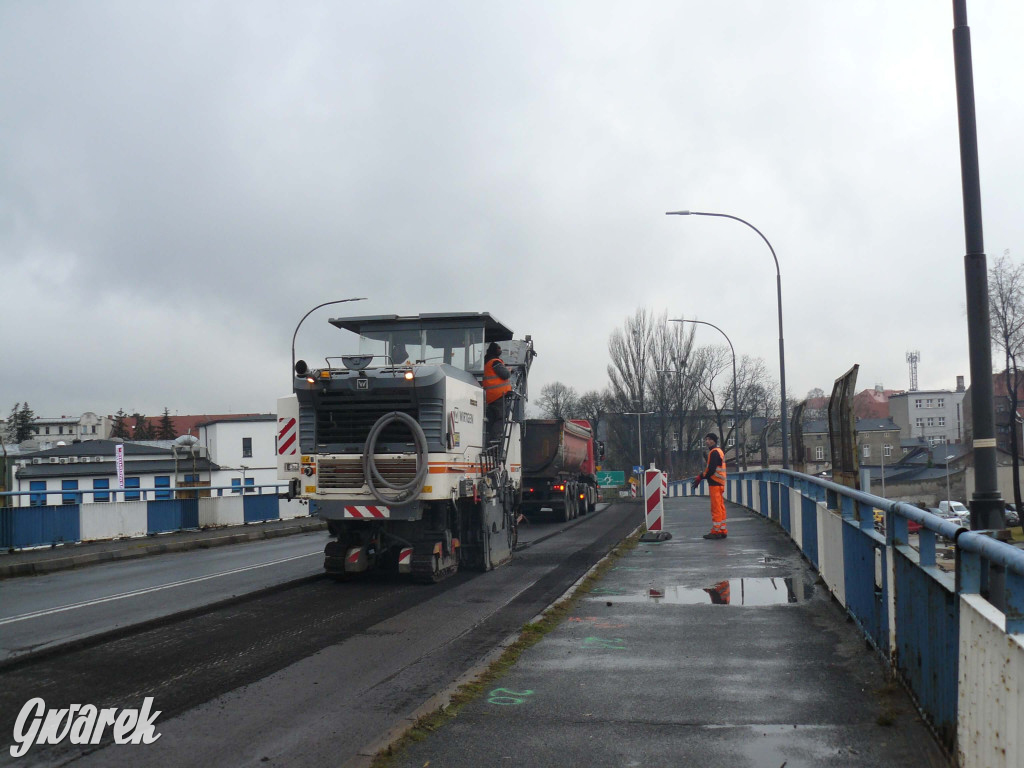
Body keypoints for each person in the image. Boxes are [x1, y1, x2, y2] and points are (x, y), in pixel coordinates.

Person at [692, 432, 728, 539]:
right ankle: (722, 529)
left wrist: (701, 477)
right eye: (706, 439)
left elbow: (711, 469)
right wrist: (702, 476)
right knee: (721, 507)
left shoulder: (714, 452)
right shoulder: (719, 451)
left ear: (714, 441)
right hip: (720, 483)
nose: (707, 441)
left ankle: (716, 531)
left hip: (715, 483)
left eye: (709, 439)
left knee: (715, 508)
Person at [483, 342, 511, 445]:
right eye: (498, 348)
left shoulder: (487, 362)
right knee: (501, 417)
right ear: (495, 350)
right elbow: (505, 375)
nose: (500, 350)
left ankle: (488, 440)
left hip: (490, 396)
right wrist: (508, 370)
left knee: (492, 419)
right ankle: (495, 440)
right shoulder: (495, 362)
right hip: (499, 395)